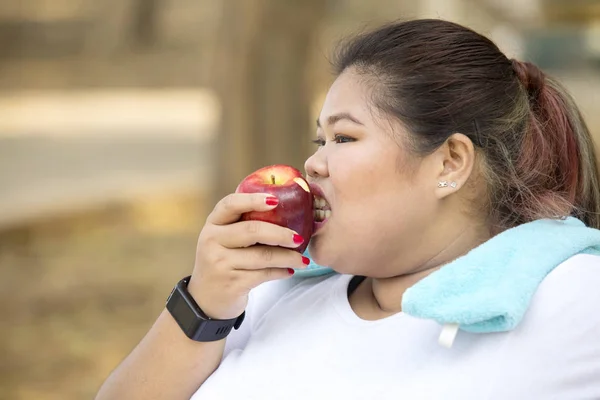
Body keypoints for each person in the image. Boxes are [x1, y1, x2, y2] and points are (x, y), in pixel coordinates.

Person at [96, 19, 600, 400]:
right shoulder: (272, 294)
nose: (313, 163)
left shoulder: (566, 299)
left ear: (449, 162)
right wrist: (202, 305)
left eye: (343, 136)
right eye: (319, 139)